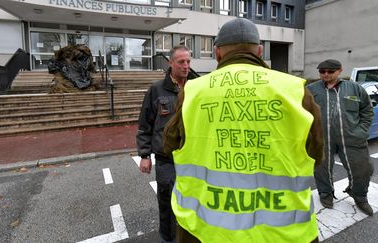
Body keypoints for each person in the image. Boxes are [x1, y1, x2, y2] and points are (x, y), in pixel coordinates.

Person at [163, 18, 323, 243]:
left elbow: (170, 146)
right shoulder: (294, 90)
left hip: (205, 230)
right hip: (283, 232)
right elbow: (315, 156)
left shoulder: (193, 91)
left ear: (217, 53)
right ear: (259, 51)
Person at [136, 45, 191, 243]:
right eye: (181, 62)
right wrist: (144, 155)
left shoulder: (196, 87)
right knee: (167, 205)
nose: (186, 66)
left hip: (192, 160)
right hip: (166, 160)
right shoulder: (156, 90)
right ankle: (168, 240)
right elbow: (145, 123)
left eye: (188, 61)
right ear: (170, 63)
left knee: (192, 204)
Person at [307, 59, 374, 216]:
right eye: (322, 71)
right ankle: (326, 194)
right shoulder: (310, 90)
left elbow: (367, 111)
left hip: (352, 138)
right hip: (321, 139)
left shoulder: (354, 88)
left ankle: (359, 196)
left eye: (330, 71)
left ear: (339, 71)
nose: (326, 75)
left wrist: (362, 130)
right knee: (321, 169)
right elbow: (301, 111)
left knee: (363, 169)